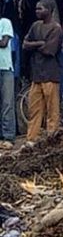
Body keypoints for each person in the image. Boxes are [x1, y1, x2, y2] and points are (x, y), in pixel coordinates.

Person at [23, 0, 63, 142]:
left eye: (40, 9)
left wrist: (34, 45)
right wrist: (40, 43)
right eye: (36, 9)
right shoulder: (35, 25)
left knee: (52, 110)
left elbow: (49, 50)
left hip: (50, 74)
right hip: (37, 74)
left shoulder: (56, 28)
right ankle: (31, 139)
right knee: (34, 109)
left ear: (49, 10)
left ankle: (51, 137)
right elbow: (24, 44)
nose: (37, 11)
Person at [0, 14, 13, 149]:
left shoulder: (5, 22)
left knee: (7, 103)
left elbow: (4, 43)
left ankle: (8, 136)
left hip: (5, 68)